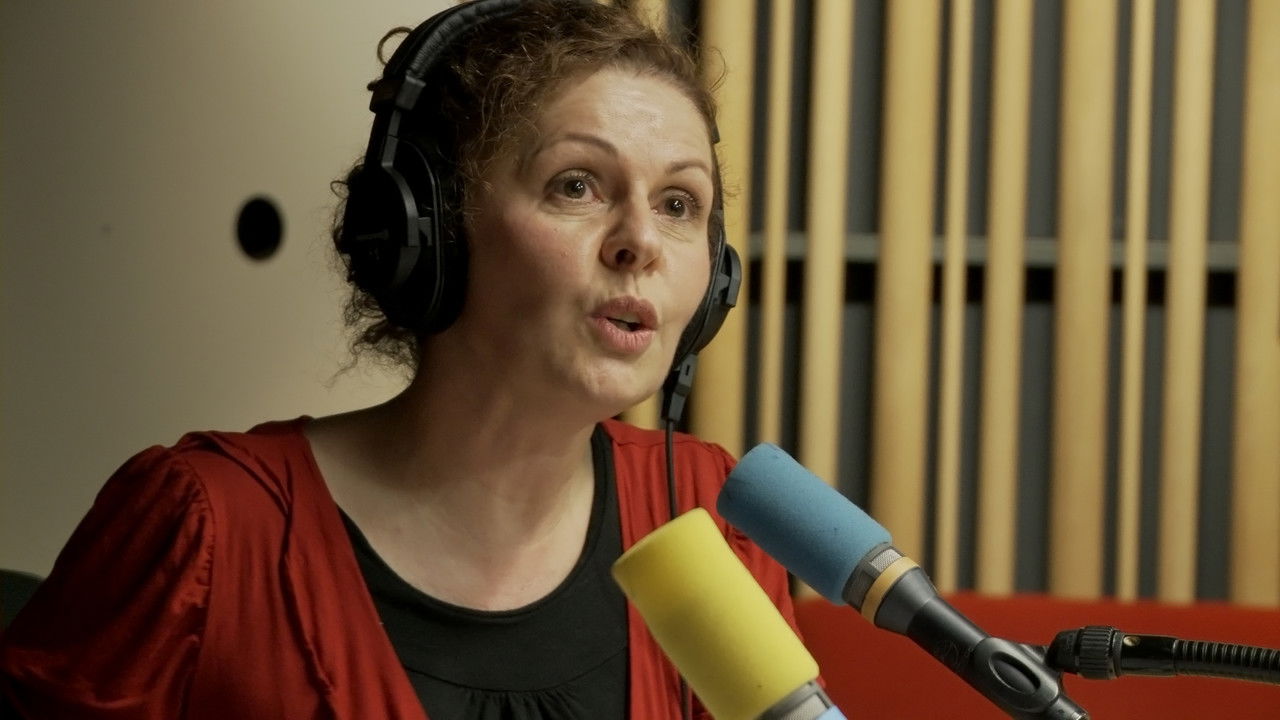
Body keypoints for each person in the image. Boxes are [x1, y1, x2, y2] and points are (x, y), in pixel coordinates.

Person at [0, 1, 801, 718]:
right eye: (577, 186)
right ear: (435, 228)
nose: (642, 242)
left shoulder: (713, 519)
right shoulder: (209, 528)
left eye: (678, 204)